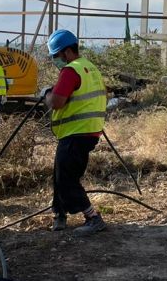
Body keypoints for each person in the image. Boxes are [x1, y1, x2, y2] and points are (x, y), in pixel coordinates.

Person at [44, 29, 108, 236]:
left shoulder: (71, 70)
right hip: (88, 132)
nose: (56, 60)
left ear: (67, 52)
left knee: (66, 180)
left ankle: (93, 217)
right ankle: (59, 214)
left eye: (56, 55)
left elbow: (57, 102)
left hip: (75, 133)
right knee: (61, 174)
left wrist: (47, 95)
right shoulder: (90, 68)